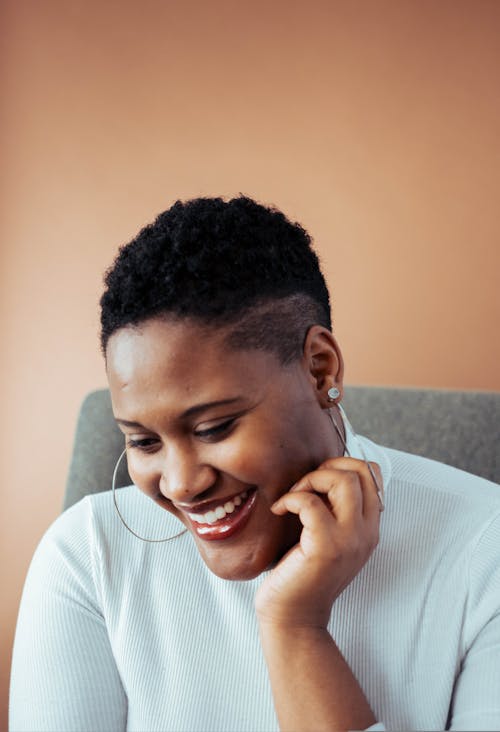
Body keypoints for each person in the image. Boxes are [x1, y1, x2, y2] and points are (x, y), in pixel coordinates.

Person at [9, 196, 500, 732]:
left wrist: (296, 628)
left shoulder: (484, 549)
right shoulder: (86, 556)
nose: (180, 484)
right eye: (144, 442)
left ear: (319, 369)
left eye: (213, 428)